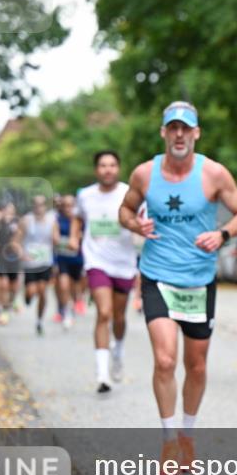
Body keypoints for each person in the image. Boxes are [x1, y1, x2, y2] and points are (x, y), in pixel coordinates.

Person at [119, 101, 237, 475]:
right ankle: (167, 442)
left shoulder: (214, 173)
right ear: (163, 132)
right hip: (157, 274)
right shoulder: (145, 174)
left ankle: (187, 433)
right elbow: (125, 210)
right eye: (172, 128)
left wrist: (222, 234)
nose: (179, 134)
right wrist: (135, 226)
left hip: (199, 279)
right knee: (164, 360)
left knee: (196, 364)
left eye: (186, 128)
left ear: (196, 133)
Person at [70, 151, 139, 394]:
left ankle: (117, 350)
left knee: (119, 318)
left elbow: (141, 220)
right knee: (104, 312)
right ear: (96, 169)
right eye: (102, 165)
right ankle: (102, 374)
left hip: (123, 262)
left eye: (112, 165)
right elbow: (77, 219)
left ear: (118, 169)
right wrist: (73, 237)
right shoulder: (85, 195)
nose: (107, 169)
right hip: (95, 260)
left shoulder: (129, 193)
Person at [17, 195, 59, 336]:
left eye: (41, 205)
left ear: (45, 207)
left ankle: (39, 320)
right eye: (36, 204)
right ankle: (27, 296)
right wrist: (22, 253)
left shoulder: (51, 221)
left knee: (42, 291)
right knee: (31, 291)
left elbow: (56, 238)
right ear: (32, 206)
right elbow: (16, 241)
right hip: (30, 262)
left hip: (45, 261)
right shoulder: (26, 221)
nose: (38, 207)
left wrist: (56, 240)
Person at [54, 194, 86, 329]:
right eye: (65, 205)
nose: (68, 208)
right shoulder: (57, 220)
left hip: (78, 259)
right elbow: (54, 238)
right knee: (63, 285)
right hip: (62, 259)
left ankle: (74, 305)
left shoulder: (81, 220)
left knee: (75, 287)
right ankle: (65, 311)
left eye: (71, 205)